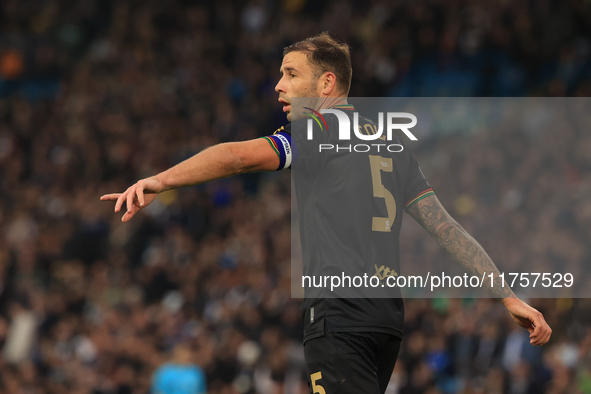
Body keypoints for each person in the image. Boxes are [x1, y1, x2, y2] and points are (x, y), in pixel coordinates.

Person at [101, 32, 552, 394]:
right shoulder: (392, 145)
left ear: (326, 84)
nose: (278, 85)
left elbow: (239, 157)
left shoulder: (315, 128)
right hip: (385, 323)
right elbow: (445, 228)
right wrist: (508, 295)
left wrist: (161, 179)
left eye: (291, 74)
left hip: (338, 317)